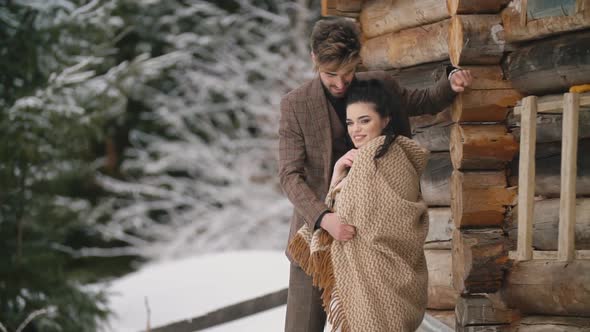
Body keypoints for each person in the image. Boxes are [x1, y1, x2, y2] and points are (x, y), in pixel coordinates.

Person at [279, 17, 472, 332]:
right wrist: (325, 218)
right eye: (331, 75)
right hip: (316, 238)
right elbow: (289, 175)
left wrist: (451, 83)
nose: (341, 84)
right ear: (314, 58)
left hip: (374, 243)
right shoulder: (295, 105)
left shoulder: (380, 85)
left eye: (348, 73)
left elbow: (421, 101)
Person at [289, 79, 430, 331]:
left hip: (376, 285)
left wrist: (333, 192)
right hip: (392, 285)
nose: (356, 130)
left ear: (385, 120)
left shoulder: (371, 160)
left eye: (365, 120)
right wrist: (336, 174)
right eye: (350, 122)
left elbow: (350, 223)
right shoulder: (398, 154)